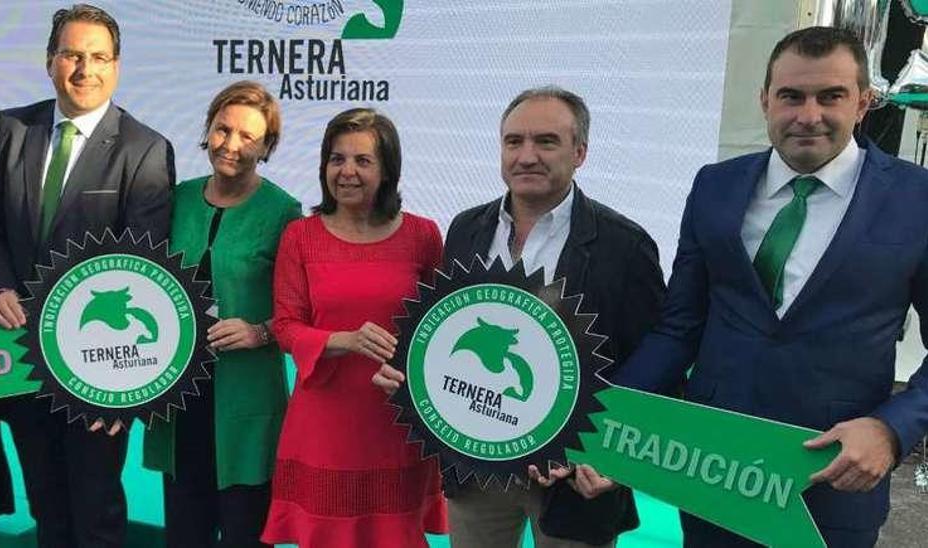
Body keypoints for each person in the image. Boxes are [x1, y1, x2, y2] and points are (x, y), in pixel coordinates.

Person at [612, 26, 928, 547]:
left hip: (835, 475)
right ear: (765, 101)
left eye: (831, 96)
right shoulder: (715, 186)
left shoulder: (916, 199)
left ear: (864, 103)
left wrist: (892, 429)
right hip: (712, 469)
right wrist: (608, 416)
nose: (808, 115)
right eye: (791, 96)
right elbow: (678, 327)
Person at [372, 86, 666, 547]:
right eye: (514, 142)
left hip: (574, 481)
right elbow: (455, 328)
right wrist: (414, 372)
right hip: (476, 472)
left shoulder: (625, 246)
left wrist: (613, 458)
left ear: (580, 152)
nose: (527, 155)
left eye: (546, 141)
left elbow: (654, 366)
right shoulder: (467, 228)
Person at [0, 3, 175, 546]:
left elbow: (143, 269)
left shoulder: (144, 149)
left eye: (99, 57)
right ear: (49, 60)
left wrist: (120, 392)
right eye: (72, 54)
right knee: (48, 508)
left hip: (95, 370)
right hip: (16, 358)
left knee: (96, 507)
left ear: (117, 66)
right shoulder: (11, 128)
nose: (85, 69)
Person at [262, 107, 447, 547]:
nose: (347, 171)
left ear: (387, 171)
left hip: (398, 421)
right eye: (336, 159)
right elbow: (286, 327)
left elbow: (442, 327)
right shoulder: (300, 236)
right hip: (324, 423)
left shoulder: (423, 235)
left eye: (363, 161)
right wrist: (344, 340)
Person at [141, 80, 300, 548]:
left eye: (248, 136)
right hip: (180, 401)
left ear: (267, 146)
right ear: (207, 130)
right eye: (222, 129)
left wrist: (260, 332)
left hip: (248, 407)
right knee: (184, 534)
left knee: (245, 535)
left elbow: (302, 311)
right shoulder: (175, 200)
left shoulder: (284, 213)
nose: (230, 145)